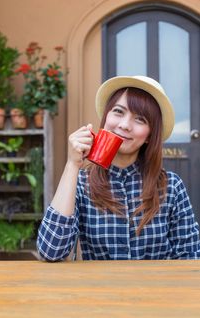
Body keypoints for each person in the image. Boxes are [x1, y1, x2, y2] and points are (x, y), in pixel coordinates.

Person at [37, 75, 200, 261]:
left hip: (155, 290)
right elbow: (50, 253)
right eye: (118, 111)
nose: (124, 125)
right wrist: (72, 164)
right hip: (99, 289)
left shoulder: (171, 186)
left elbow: (191, 257)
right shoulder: (81, 182)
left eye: (140, 119)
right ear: (106, 117)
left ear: (149, 135)